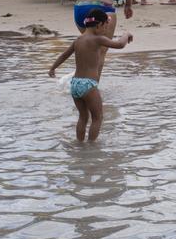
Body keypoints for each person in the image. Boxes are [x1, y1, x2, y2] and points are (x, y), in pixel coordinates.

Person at [47, 8, 133, 142]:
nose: (106, 30)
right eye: (105, 26)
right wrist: (126, 34)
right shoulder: (98, 39)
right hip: (89, 85)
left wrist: (53, 68)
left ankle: (80, 145)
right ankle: (91, 148)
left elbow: (64, 55)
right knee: (98, 118)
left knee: (83, 117)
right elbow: (120, 44)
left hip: (75, 84)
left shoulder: (78, 40)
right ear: (98, 25)